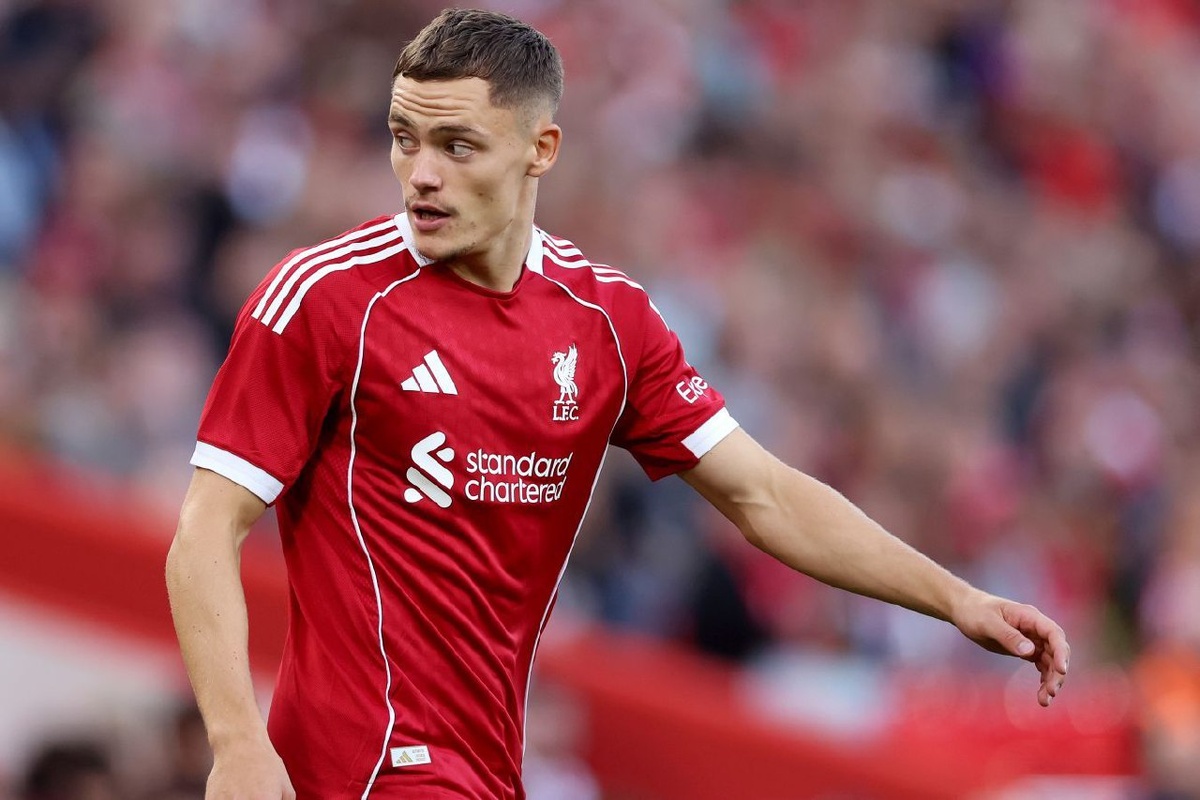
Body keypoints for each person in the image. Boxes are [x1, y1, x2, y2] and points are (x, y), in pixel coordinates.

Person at [164, 8, 1070, 800]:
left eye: (457, 145)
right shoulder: (325, 299)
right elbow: (205, 530)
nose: (421, 173)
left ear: (541, 150)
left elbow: (763, 495)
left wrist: (955, 599)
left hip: (490, 767)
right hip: (359, 770)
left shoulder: (606, 321)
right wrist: (237, 742)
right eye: (405, 138)